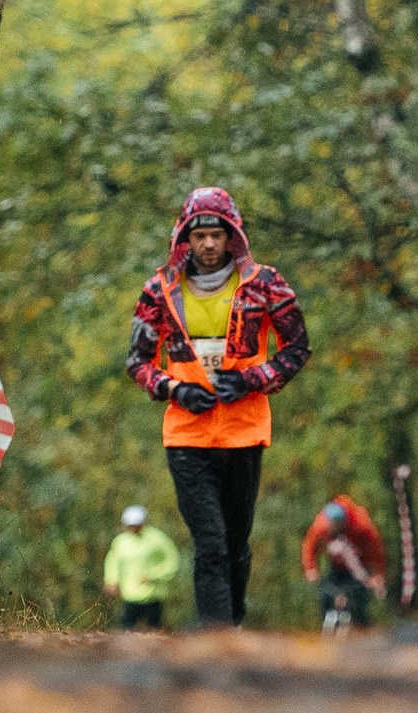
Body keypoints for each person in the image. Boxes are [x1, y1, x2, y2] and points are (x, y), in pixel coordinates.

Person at [124, 186, 310, 626]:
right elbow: (137, 361)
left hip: (245, 430)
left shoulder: (264, 284)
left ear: (233, 237)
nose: (208, 244)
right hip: (186, 435)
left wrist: (252, 379)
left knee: (236, 542)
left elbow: (297, 347)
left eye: (217, 234)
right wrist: (173, 389)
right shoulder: (159, 291)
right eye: (199, 234)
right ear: (184, 239)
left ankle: (234, 625)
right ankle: (216, 635)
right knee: (210, 543)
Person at [301, 496, 387, 630]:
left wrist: (378, 575)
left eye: (338, 525)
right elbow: (310, 545)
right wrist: (311, 568)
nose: (334, 529)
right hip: (336, 566)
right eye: (332, 525)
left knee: (360, 600)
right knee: (327, 596)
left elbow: (377, 550)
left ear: (344, 521)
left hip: (360, 567)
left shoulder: (362, 524)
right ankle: (327, 628)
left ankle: (361, 628)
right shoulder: (321, 524)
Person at [101, 504, 180, 630]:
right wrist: (111, 581)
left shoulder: (157, 539)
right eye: (130, 524)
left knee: (154, 630)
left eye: (136, 524)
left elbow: (172, 561)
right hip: (129, 595)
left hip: (153, 595)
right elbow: (112, 561)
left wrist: (154, 576)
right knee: (128, 631)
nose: (133, 528)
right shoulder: (120, 541)